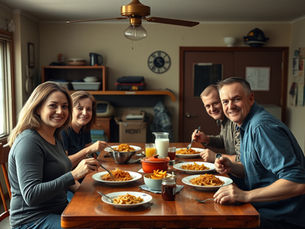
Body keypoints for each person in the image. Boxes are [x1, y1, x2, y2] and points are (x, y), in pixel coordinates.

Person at [213, 77, 305, 229]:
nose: (230, 106)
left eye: (236, 99)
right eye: (225, 101)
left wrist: (245, 195)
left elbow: (297, 182)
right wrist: (232, 166)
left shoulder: (261, 128)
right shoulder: (244, 123)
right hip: (263, 209)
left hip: (282, 218)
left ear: (251, 98)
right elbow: (258, 170)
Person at [8, 82, 100, 229]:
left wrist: (94, 194)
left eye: (64, 106)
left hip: (59, 210)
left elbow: (60, 174)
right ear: (38, 108)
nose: (60, 111)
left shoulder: (55, 136)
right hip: (32, 220)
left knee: (105, 216)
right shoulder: (29, 142)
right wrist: (74, 174)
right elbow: (31, 195)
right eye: (53, 105)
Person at [191, 84, 240, 162]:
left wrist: (216, 156)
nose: (212, 109)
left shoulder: (236, 120)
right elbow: (224, 141)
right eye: (208, 106)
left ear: (224, 100)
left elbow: (243, 160)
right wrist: (206, 139)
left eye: (215, 103)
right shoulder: (222, 119)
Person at [61, 91, 107, 167]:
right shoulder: (62, 131)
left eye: (88, 109)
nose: (85, 113)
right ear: (70, 110)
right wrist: (89, 149)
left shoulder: (84, 127)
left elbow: (91, 154)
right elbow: (63, 165)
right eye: (80, 108)